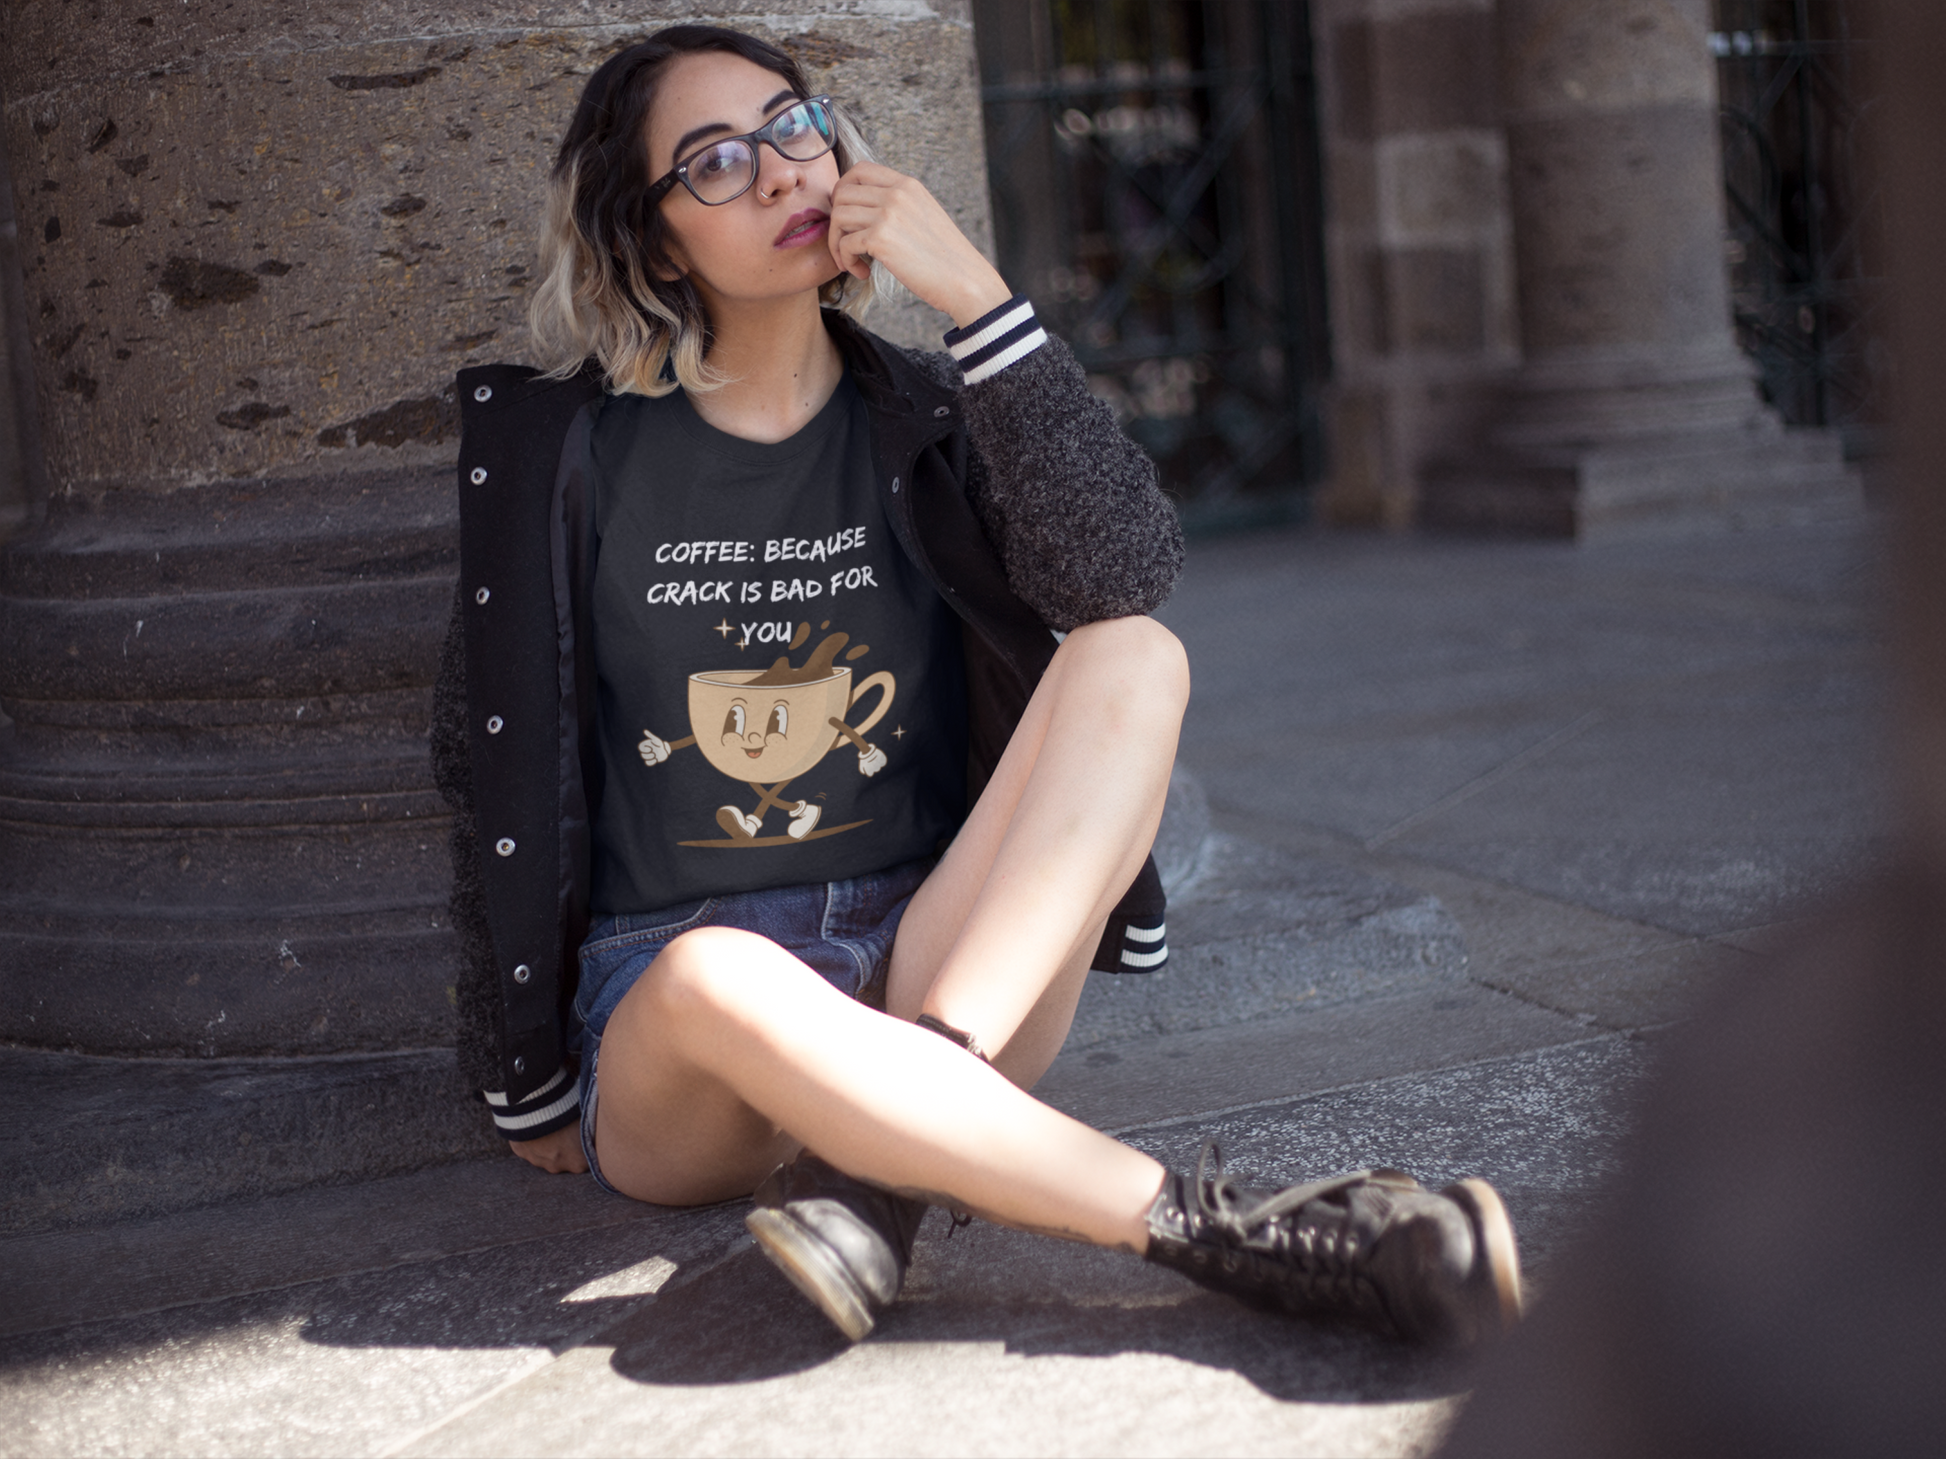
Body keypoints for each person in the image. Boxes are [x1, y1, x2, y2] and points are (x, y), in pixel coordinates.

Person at [430, 23, 1522, 1349]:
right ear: (655, 239)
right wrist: (523, 1076)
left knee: (1135, 651)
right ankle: (1233, 1231)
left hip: (940, 961)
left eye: (792, 127)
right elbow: (482, 752)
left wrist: (977, 299)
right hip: (680, 1021)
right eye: (714, 161)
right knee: (723, 969)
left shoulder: (931, 411)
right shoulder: (567, 453)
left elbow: (1123, 569)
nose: (779, 173)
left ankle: (883, 1159)